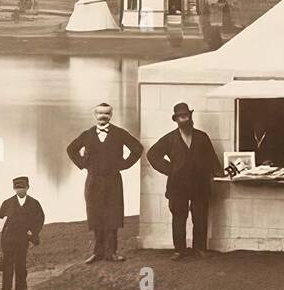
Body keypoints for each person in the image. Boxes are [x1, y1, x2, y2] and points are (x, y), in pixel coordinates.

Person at [66, 102, 143, 263]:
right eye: (100, 113)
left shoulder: (120, 133)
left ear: (111, 115)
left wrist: (123, 164)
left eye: (106, 113)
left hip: (113, 181)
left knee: (112, 216)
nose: (103, 116)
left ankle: (112, 252)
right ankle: (98, 252)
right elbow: (71, 149)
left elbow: (137, 148)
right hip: (93, 181)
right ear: (95, 115)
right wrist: (83, 163)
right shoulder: (87, 135)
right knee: (96, 216)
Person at [147, 102, 222, 259]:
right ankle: (179, 250)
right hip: (178, 185)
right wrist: (171, 170)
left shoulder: (202, 137)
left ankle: (200, 248)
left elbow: (212, 158)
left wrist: (218, 173)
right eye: (181, 117)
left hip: (199, 184)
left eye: (187, 115)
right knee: (179, 217)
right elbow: (152, 155)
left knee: (200, 217)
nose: (185, 119)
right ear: (176, 119)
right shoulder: (169, 139)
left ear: (190, 116)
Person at [0, 176, 44, 290]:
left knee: (21, 263)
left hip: (22, 239)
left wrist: (33, 231)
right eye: (17, 188)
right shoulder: (7, 204)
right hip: (7, 238)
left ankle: (22, 289)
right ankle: (6, 289)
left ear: (27, 187)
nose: (20, 190)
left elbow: (40, 219)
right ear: (14, 189)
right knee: (7, 263)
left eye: (22, 187)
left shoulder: (34, 203)